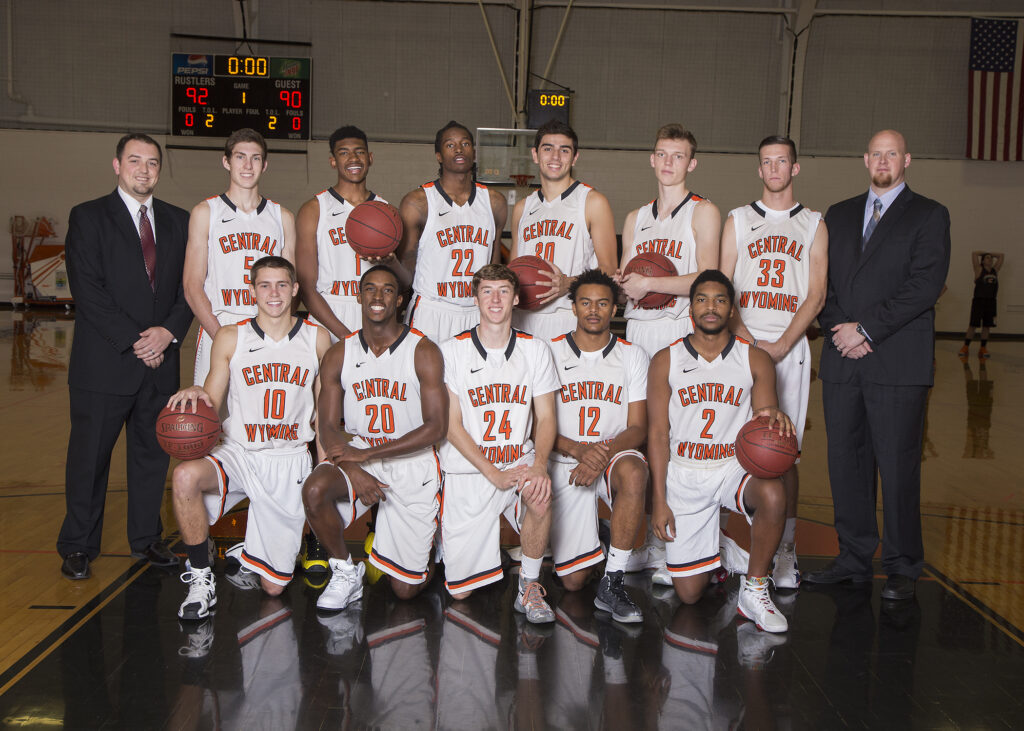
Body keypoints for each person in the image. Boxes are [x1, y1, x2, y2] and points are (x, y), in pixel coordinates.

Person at [806, 130, 950, 601]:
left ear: (906, 159)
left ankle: (904, 565)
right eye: (876, 153)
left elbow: (924, 286)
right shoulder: (840, 214)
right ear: (865, 158)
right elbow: (821, 285)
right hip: (843, 360)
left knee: (898, 466)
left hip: (896, 361)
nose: (883, 160)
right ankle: (853, 559)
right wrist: (837, 328)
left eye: (893, 153)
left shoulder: (929, 214)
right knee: (846, 464)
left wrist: (865, 330)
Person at [58, 133, 192, 579]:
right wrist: (140, 341)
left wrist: (168, 332)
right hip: (105, 364)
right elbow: (88, 291)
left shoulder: (179, 221)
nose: (143, 170)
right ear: (117, 165)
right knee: (89, 459)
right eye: (135, 161)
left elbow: (189, 290)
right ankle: (78, 544)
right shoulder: (89, 217)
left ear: (159, 170)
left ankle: (146, 539)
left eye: (152, 163)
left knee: (151, 457)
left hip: (160, 365)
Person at [169, 256, 331, 619]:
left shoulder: (316, 338)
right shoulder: (231, 335)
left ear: (294, 290)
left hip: (288, 460)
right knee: (184, 476)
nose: (273, 293)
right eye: (264, 285)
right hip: (238, 452)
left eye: (282, 285)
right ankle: (199, 577)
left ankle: (248, 550)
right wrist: (194, 394)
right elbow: (211, 400)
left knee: (274, 587)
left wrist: (323, 467)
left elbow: (323, 415)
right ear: (252, 290)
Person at [647, 270, 793, 633]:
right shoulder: (666, 360)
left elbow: (764, 422)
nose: (710, 307)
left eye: (720, 300)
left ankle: (755, 589)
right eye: (701, 299)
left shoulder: (754, 359)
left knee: (774, 490)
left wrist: (775, 417)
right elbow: (658, 434)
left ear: (732, 310)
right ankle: (720, 550)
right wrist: (660, 500)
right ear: (690, 308)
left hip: (732, 467)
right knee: (690, 595)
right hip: (685, 472)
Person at [301, 265, 448, 610]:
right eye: (369, 289)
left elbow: (436, 428)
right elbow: (326, 425)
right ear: (359, 295)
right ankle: (344, 571)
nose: (377, 297)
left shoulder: (423, 351)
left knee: (404, 591)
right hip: (358, 454)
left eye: (386, 290)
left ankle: (433, 551)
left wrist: (366, 457)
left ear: (399, 300)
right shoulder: (340, 353)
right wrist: (354, 468)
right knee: (314, 489)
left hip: (412, 462)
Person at [720, 135, 829, 590]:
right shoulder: (738, 220)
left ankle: (785, 548)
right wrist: (747, 340)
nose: (774, 169)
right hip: (742, 347)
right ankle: (724, 544)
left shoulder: (814, 223)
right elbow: (722, 288)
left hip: (790, 347)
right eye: (767, 162)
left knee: (784, 453)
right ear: (759, 169)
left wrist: (783, 343)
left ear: (794, 168)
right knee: (731, 445)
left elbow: (817, 294)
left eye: (782, 161)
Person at [439, 263, 558, 623]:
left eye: (503, 291)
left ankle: (530, 585)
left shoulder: (535, 349)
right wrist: (492, 473)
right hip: (472, 471)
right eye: (487, 291)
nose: (495, 299)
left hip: (518, 461)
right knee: (460, 592)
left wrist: (538, 465)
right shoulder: (452, 351)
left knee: (540, 491)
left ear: (516, 298)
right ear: (474, 298)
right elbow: (450, 423)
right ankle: (473, 549)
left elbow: (548, 417)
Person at [548, 269, 649, 623]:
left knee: (635, 471)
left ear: (614, 309)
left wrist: (599, 455)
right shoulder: (548, 351)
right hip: (564, 459)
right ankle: (604, 536)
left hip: (612, 456)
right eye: (586, 302)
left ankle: (613, 580)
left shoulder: (633, 355)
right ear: (573, 307)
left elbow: (638, 427)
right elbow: (534, 425)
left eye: (603, 303)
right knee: (573, 583)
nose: (594, 310)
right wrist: (578, 451)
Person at [183, 128, 296, 386]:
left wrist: (275, 334)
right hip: (220, 322)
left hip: (268, 326)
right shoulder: (205, 212)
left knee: (262, 416)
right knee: (214, 418)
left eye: (255, 158)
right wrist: (222, 336)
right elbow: (192, 286)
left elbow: (290, 286)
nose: (247, 165)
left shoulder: (283, 217)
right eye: (240, 157)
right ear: (226, 161)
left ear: (264, 165)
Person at [398, 121, 508, 344]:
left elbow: (493, 269)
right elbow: (406, 272)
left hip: (476, 310)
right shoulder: (418, 202)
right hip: (431, 309)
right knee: (427, 378)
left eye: (465, 143)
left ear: (474, 153)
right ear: (438, 155)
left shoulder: (494, 202)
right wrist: (387, 260)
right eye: (450, 145)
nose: (459, 149)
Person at [510, 120, 618, 342]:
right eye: (548, 148)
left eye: (564, 150)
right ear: (535, 154)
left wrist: (568, 283)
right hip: (523, 319)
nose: (555, 157)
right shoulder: (523, 208)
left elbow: (609, 269)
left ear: (575, 157)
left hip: (568, 317)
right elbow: (514, 271)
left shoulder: (592, 201)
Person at [618, 123, 720, 355]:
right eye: (662, 154)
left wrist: (649, 284)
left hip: (681, 326)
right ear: (652, 159)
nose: (668, 162)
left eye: (678, 156)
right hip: (637, 327)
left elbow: (708, 281)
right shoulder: (635, 218)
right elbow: (625, 294)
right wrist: (616, 286)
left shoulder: (703, 211)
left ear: (691, 164)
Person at [297, 125, 391, 342]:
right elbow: (307, 286)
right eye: (344, 153)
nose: (353, 158)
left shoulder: (386, 210)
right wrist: (343, 334)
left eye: (359, 152)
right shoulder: (315, 209)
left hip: (372, 311)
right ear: (333, 161)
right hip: (328, 310)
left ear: (370, 158)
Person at [960, 250, 1003, 358]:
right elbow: (974, 253)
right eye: (988, 258)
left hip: (991, 301)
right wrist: (985, 253)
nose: (991, 259)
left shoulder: (995, 270)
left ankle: (983, 348)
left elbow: (1001, 256)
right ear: (983, 261)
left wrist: (990, 254)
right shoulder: (979, 270)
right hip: (979, 301)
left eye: (991, 258)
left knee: (987, 326)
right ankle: (965, 347)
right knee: (973, 325)